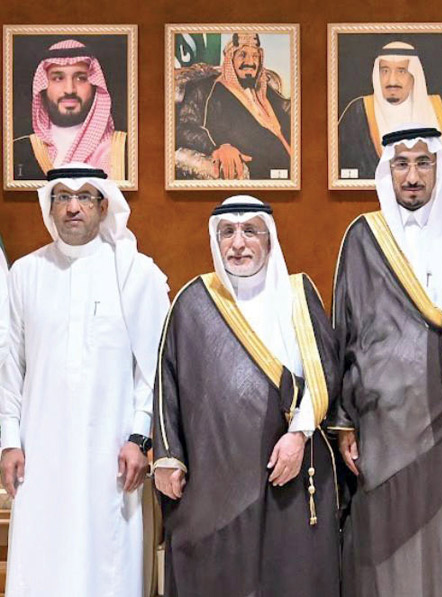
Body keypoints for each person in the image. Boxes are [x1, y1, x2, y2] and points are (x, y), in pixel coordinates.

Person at [332, 125, 442, 596]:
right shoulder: (363, 236)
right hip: (380, 432)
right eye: (401, 164)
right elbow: (343, 333)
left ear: (439, 168)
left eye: (423, 163)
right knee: (385, 556)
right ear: (387, 170)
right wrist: (344, 423)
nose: (412, 176)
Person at [153, 196, 340, 596]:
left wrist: (299, 435)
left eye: (250, 231)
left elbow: (325, 371)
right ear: (215, 240)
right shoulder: (193, 300)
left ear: (269, 239)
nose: (238, 243)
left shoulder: (297, 294)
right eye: (227, 233)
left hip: (286, 468)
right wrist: (168, 458)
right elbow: (166, 381)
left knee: (287, 577)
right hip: (213, 480)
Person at [0, 163, 169, 596]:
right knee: (42, 561)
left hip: (112, 456)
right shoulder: (25, 274)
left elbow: (153, 369)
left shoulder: (136, 274)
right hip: (40, 455)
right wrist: (9, 440)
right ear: (49, 206)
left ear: (103, 206)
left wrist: (140, 437)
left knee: (107, 563)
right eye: (62, 197)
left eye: (84, 198)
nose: (73, 208)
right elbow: (10, 365)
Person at [176, 33, 291, 180]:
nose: (250, 62)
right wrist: (219, 147)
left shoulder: (264, 89)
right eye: (242, 55)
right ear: (230, 59)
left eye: (255, 56)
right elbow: (183, 128)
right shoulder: (205, 89)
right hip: (260, 174)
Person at [13, 39, 127, 181]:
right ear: (43, 87)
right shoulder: (17, 151)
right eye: (58, 78)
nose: (69, 89)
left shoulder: (126, 149)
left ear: (95, 86)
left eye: (81, 78)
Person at [338, 42, 442, 179]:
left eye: (401, 71)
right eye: (385, 71)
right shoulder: (357, 112)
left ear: (413, 75)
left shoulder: (438, 109)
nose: (392, 81)